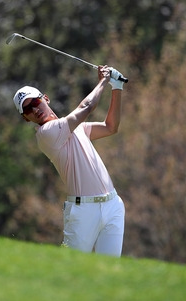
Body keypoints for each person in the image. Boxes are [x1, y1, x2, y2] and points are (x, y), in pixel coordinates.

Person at [13, 65, 126, 257]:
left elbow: (110, 127)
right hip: (84, 212)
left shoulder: (75, 127)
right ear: (26, 118)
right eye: (28, 109)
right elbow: (87, 107)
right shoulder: (46, 134)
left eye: (36, 102)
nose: (35, 109)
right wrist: (104, 80)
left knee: (109, 270)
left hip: (113, 204)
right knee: (71, 269)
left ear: (45, 98)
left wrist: (117, 88)